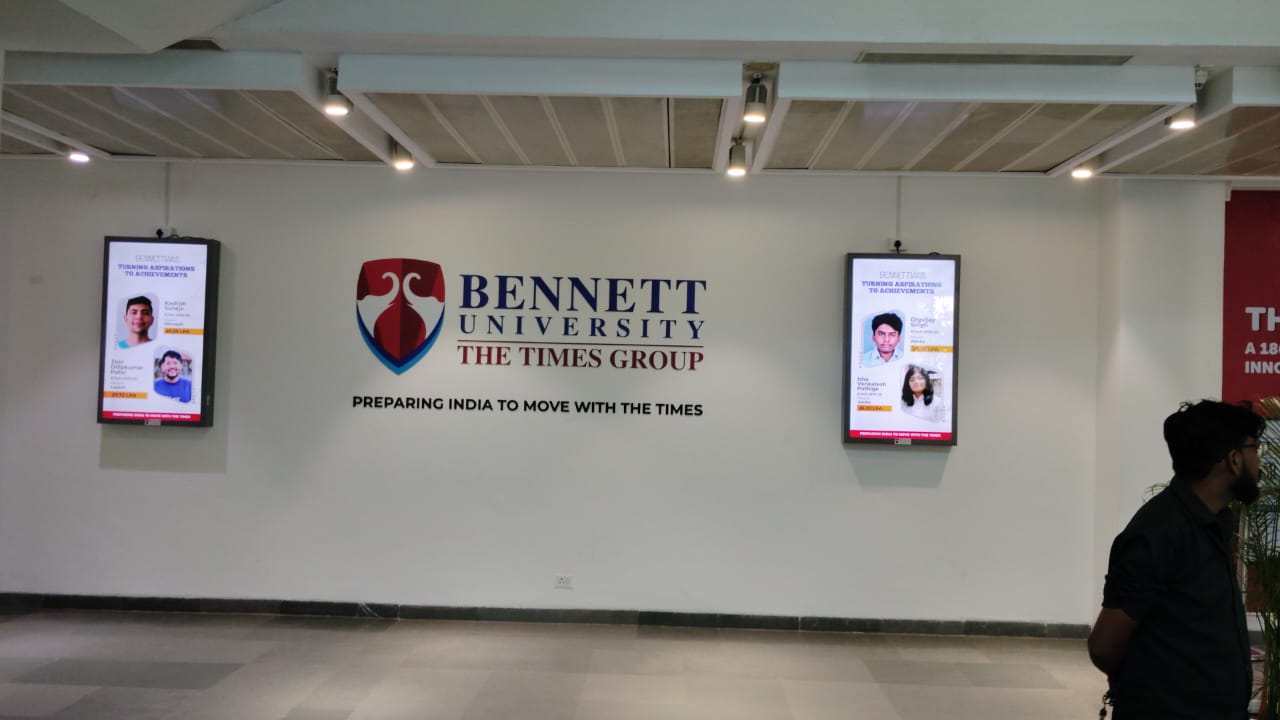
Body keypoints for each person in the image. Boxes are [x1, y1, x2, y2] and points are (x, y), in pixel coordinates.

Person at [1089, 400, 1264, 719]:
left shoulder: (1214, 523)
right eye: (1255, 448)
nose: (1259, 462)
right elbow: (1104, 645)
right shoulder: (1159, 531)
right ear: (1234, 459)